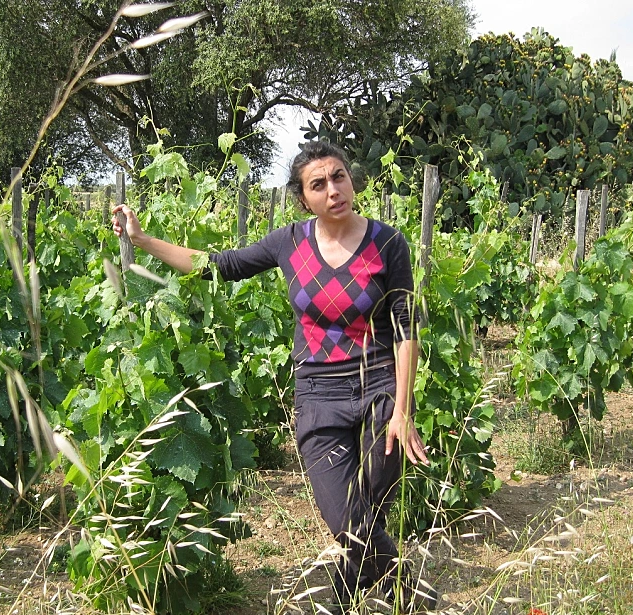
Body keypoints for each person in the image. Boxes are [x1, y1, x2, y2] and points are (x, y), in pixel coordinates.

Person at [112, 141, 436, 613]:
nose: (333, 190)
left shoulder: (388, 243)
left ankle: (342, 602)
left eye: (339, 177)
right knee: (348, 520)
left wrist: (402, 412)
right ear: (303, 198)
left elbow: (406, 328)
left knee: (368, 515)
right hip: (318, 395)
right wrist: (142, 240)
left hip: (381, 391)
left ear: (351, 180)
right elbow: (218, 266)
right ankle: (413, 594)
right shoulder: (290, 242)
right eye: (318, 184)